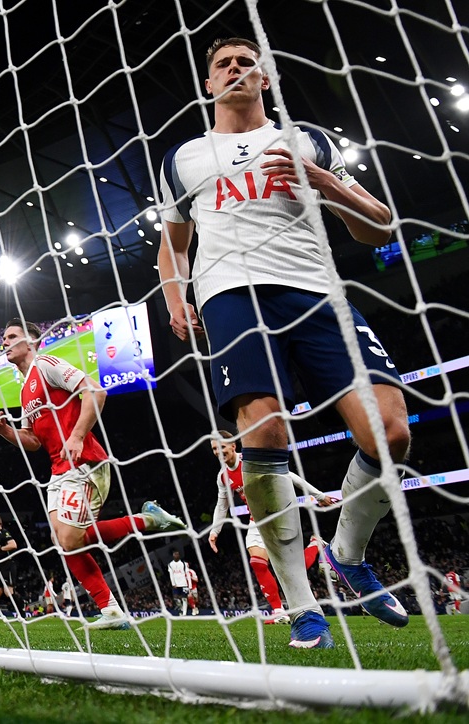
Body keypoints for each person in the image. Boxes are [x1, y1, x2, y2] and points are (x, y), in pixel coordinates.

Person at [158, 37, 409, 649]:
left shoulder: (307, 140)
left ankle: (346, 554)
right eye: (224, 64)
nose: (237, 70)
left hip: (318, 292)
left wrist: (322, 181)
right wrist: (175, 297)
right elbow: (175, 242)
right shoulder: (184, 159)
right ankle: (302, 606)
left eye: (248, 62)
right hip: (231, 295)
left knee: (390, 431)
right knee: (265, 433)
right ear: (209, 83)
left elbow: (378, 225)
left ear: (265, 78)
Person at [0, 319, 185, 630]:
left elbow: (96, 391)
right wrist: (5, 432)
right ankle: (112, 611)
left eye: (12, 336)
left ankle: (148, 521)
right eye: (4, 338)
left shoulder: (47, 364)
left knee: (68, 537)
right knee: (63, 540)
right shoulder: (24, 390)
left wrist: (77, 435)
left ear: (31, 342)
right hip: (58, 470)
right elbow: (34, 442)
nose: (5, 343)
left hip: (86, 462)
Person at [209, 430, 333, 624]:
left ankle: (315, 545)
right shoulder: (223, 476)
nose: (218, 452)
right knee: (257, 562)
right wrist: (215, 530)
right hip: (257, 519)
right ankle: (278, 611)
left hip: (280, 512)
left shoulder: (252, 461)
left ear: (233, 445)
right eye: (214, 449)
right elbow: (222, 504)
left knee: (293, 570)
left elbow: (288, 475)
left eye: (221, 447)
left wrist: (318, 496)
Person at [168, 550, 191, 616]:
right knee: (176, 598)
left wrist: (189, 585)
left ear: (179, 555)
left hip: (184, 584)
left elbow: (188, 574)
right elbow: (171, 574)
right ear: (173, 555)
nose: (176, 555)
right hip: (176, 584)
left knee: (184, 598)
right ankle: (181, 608)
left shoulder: (184, 564)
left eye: (177, 554)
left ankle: (184, 614)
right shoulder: (170, 564)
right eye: (175, 554)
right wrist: (173, 583)